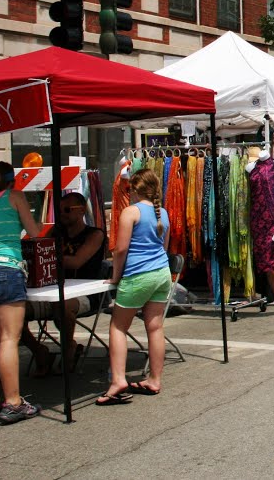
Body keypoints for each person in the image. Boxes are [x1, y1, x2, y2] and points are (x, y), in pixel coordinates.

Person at [100, 168, 171, 405]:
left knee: (118, 326)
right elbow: (164, 246)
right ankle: (155, 379)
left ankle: (118, 379)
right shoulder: (164, 214)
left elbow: (120, 250)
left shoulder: (130, 212)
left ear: (134, 189)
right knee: (155, 326)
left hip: (138, 274)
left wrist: (115, 277)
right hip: (161, 273)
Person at [21, 191, 107, 377]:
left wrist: (46, 256)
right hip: (51, 290)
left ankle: (68, 348)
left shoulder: (95, 234)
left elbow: (77, 261)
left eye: (67, 210)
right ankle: (38, 350)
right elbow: (39, 251)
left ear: (82, 210)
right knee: (13, 311)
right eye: (59, 210)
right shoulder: (56, 233)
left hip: (85, 293)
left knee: (63, 303)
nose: (62, 214)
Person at [0, 161, 43, 424]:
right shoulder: (14, 197)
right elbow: (35, 231)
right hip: (6, 268)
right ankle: (13, 401)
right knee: (8, 339)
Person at [245, 149, 274, 307]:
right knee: (263, 257)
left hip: (272, 218)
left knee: (272, 257)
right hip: (258, 219)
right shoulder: (250, 168)